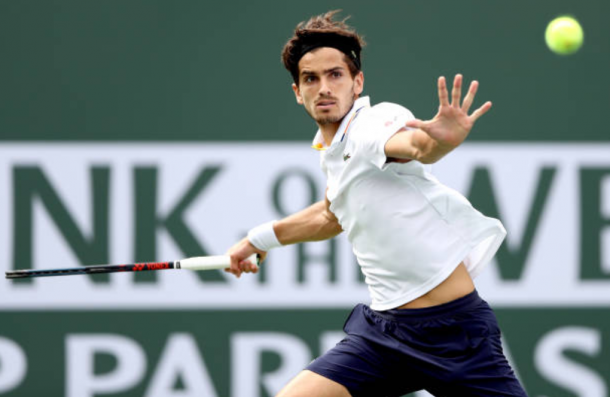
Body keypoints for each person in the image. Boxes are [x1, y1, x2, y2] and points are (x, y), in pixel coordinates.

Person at [226, 10, 528, 397]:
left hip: (456, 335)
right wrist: (256, 240)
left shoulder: (372, 123)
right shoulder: (332, 153)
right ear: (297, 92)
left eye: (336, 74)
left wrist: (439, 142)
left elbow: (415, 145)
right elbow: (330, 214)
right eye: (310, 79)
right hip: (385, 334)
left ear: (357, 82)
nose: (324, 88)